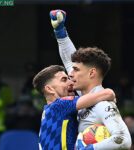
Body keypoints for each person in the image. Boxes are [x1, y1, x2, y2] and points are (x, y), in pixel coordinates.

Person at [49, 10, 132, 150]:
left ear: (92, 73)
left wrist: (89, 149)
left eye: (76, 70)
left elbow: (123, 139)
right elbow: (68, 62)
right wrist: (60, 32)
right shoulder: (85, 97)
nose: (70, 74)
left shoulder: (104, 104)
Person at [32, 65, 115, 150]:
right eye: (64, 80)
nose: (71, 82)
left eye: (69, 78)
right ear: (49, 89)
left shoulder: (48, 111)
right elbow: (108, 93)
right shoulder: (60, 105)